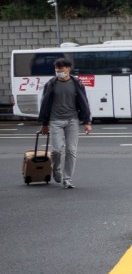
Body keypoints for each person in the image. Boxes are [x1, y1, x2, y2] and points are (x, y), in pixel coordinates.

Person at [38, 58, 93, 189]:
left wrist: (87, 121)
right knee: (56, 150)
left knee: (71, 150)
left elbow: (83, 102)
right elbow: (44, 105)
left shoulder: (77, 83)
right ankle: (55, 169)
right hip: (55, 120)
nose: (59, 73)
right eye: (56, 70)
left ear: (68, 69)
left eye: (61, 70)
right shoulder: (50, 84)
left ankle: (67, 179)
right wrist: (44, 124)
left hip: (72, 120)